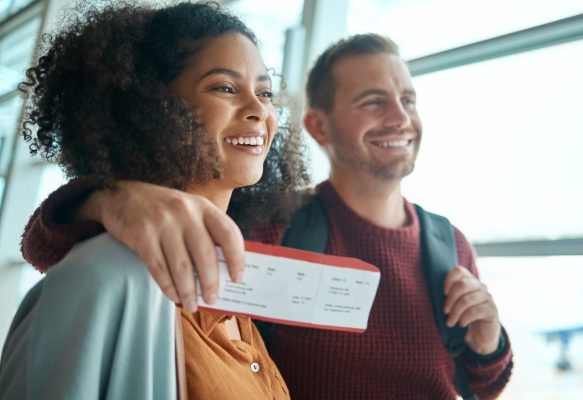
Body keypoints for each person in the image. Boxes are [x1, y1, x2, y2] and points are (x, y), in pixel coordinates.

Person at [17, 34, 513, 399]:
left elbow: (477, 384)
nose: (401, 117)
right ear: (319, 128)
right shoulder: (271, 229)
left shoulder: (451, 246)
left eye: (408, 100)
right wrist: (107, 197)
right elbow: (56, 251)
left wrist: (490, 344)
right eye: (373, 101)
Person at [0, 2, 312, 399]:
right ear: (149, 107)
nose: (258, 110)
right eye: (224, 88)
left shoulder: (230, 282)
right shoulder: (106, 276)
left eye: (265, 92)